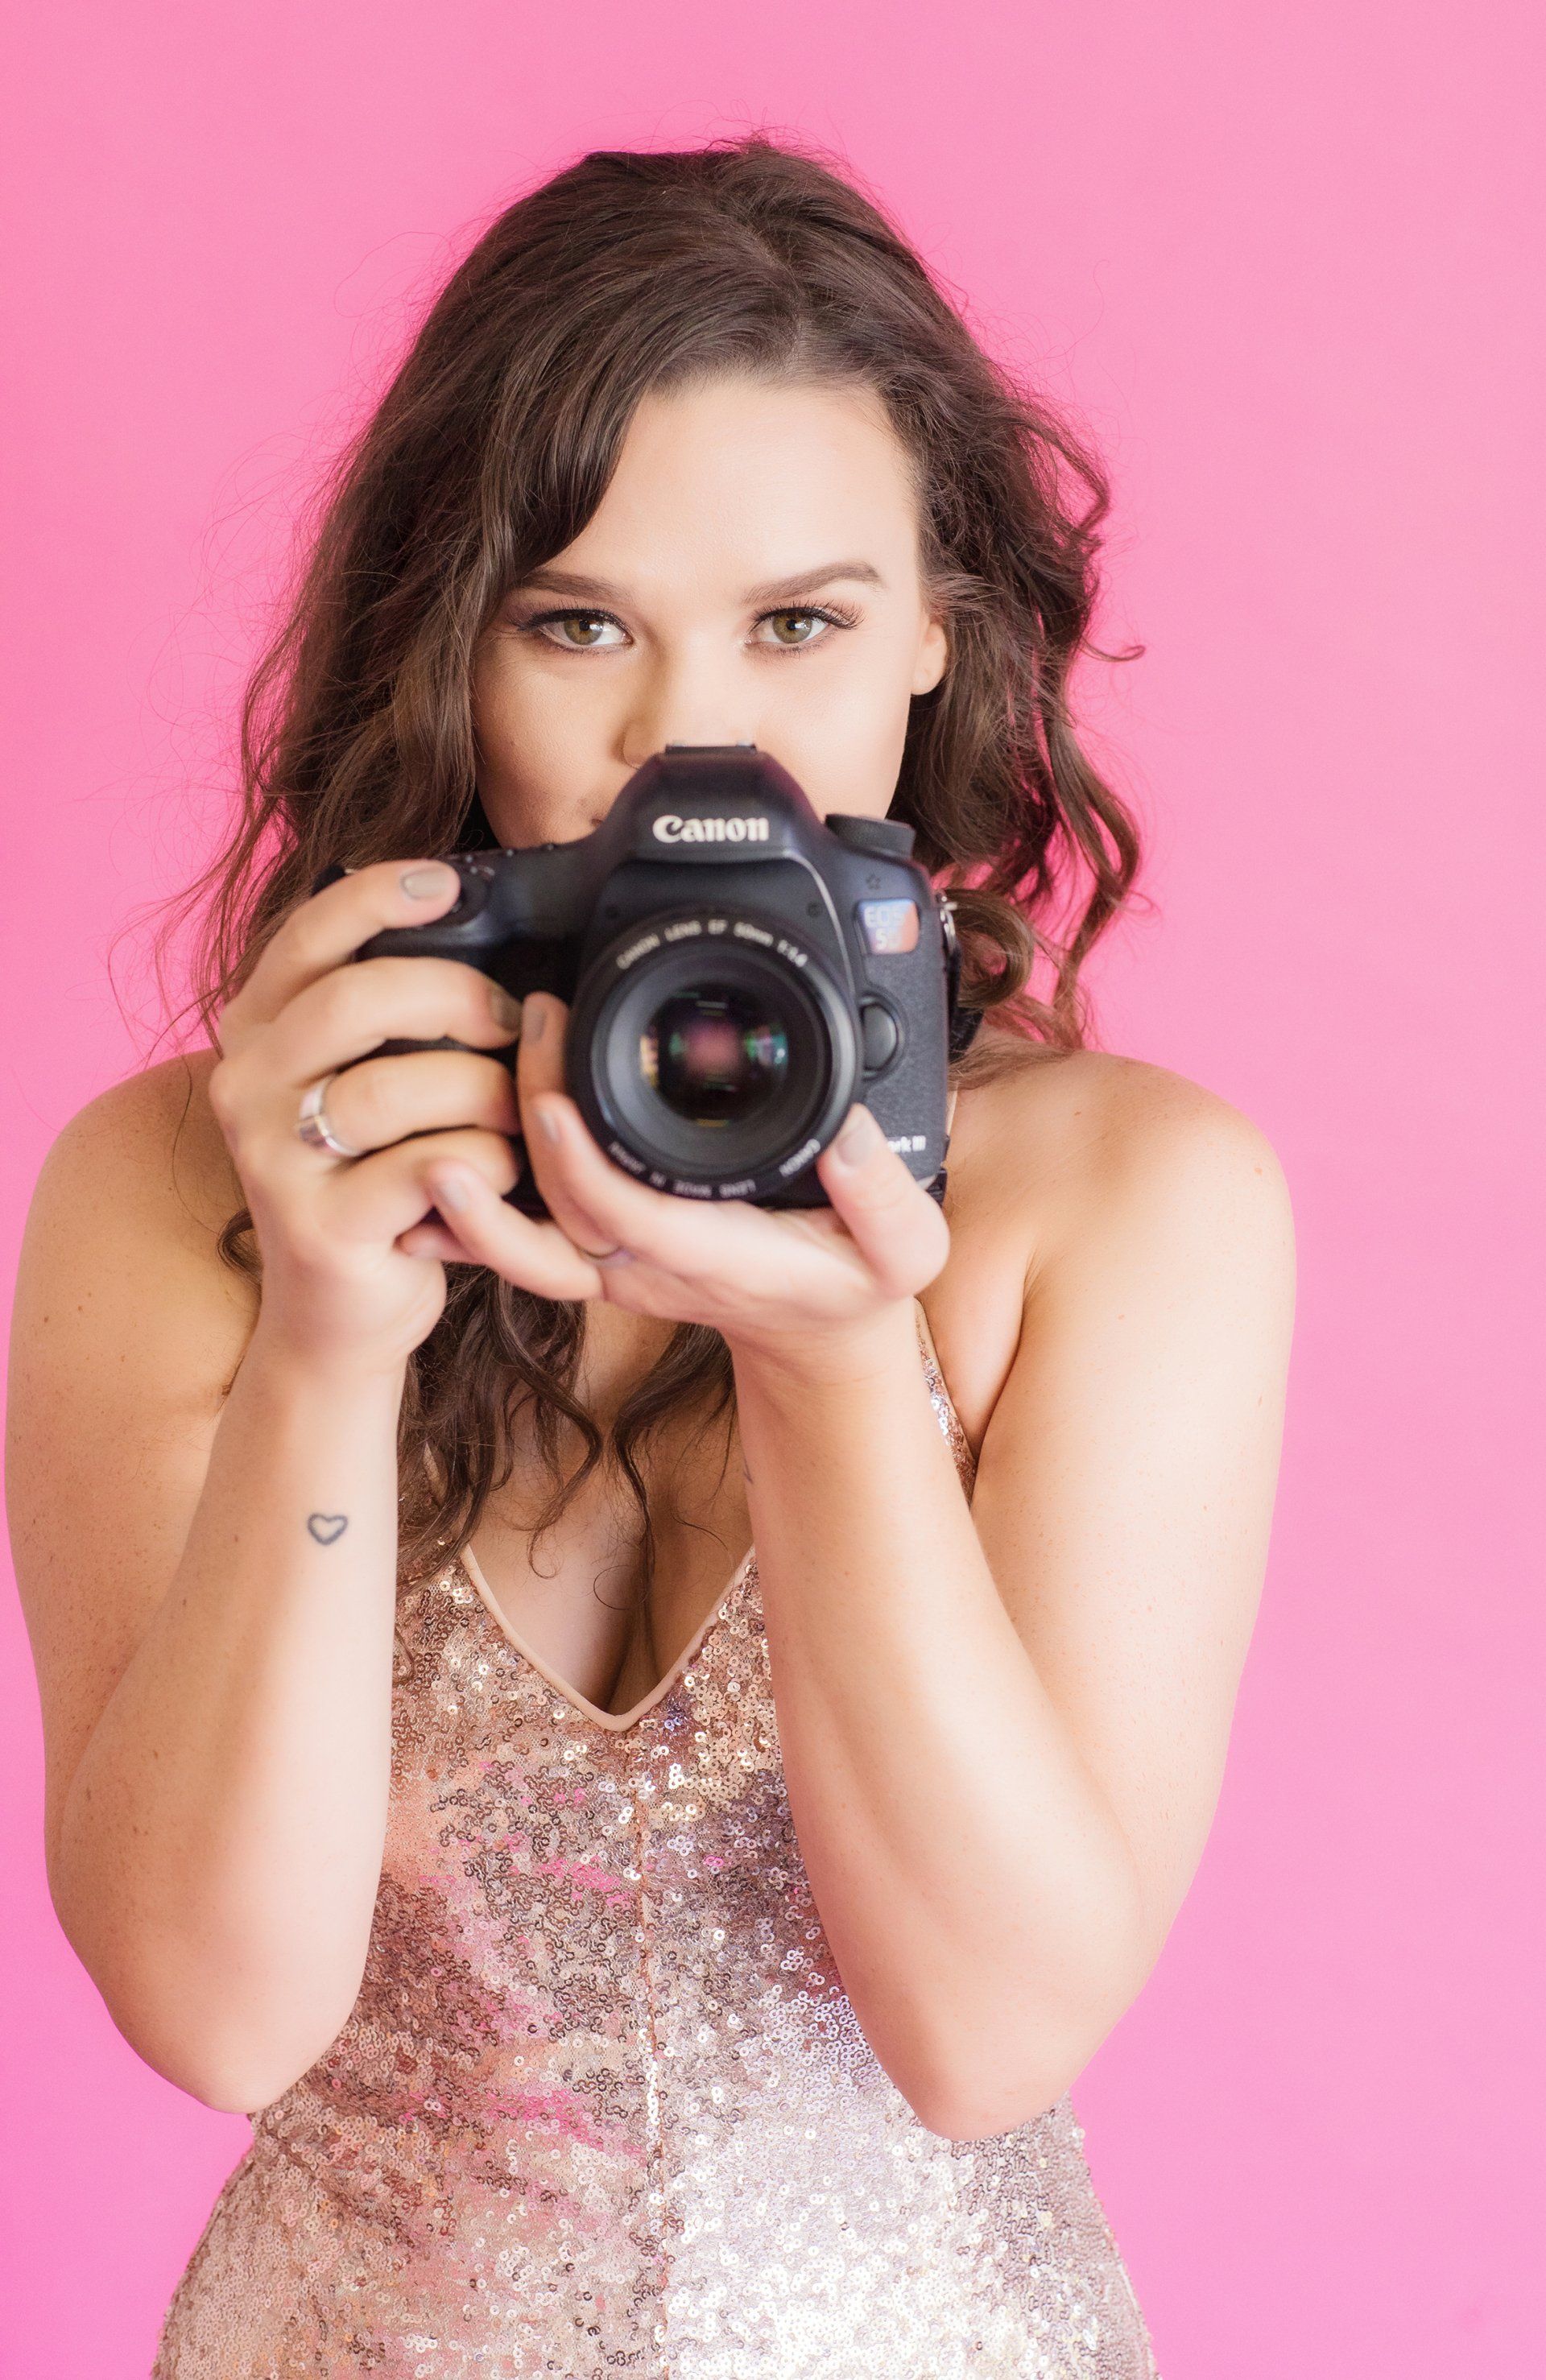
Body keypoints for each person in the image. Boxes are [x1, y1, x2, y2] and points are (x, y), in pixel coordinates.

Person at [6, 134, 1295, 2378]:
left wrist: (836, 1367)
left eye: (799, 623)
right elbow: (217, 2015)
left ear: (935, 633)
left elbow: (986, 2036)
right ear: (450, 640)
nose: (687, 741)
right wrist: (325, 1338)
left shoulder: (1126, 1200)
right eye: (579, 623)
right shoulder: (191, 1184)